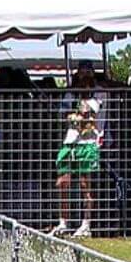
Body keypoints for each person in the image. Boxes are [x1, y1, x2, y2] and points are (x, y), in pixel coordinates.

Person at [49, 85, 103, 239]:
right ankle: (63, 222)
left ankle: (86, 224)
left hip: (87, 144)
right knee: (62, 183)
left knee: (85, 185)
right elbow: (62, 115)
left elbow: (89, 117)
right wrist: (71, 114)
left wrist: (79, 114)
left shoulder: (96, 98)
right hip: (69, 143)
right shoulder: (69, 96)